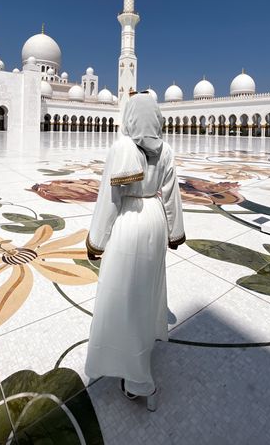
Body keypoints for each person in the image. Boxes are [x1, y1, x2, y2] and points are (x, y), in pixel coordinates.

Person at [84, 92, 186, 410]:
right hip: (154, 218)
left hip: (130, 220)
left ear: (129, 116)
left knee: (122, 296)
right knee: (144, 292)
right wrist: (174, 231)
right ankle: (138, 354)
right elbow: (171, 196)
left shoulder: (122, 147)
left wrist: (97, 241)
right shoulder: (166, 149)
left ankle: (138, 379)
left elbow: (110, 198)